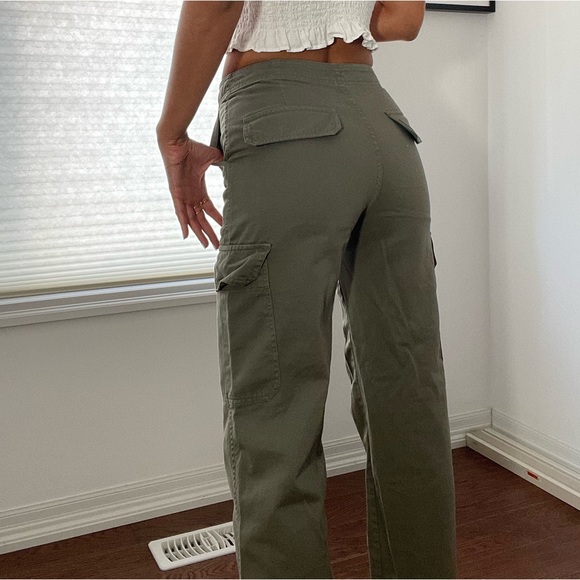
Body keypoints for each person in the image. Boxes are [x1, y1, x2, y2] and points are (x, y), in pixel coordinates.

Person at [156, 2, 457, 578]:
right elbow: (403, 19)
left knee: (274, 415)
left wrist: (172, 133)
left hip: (282, 125)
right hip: (385, 132)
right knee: (409, 400)